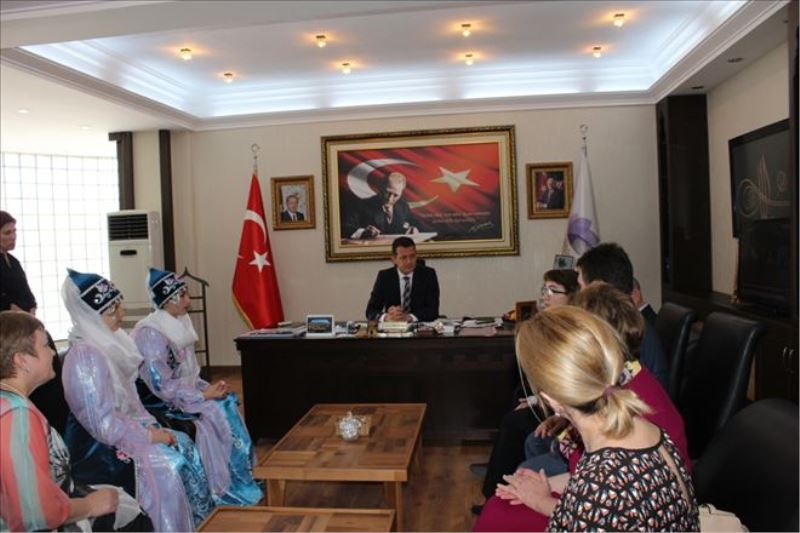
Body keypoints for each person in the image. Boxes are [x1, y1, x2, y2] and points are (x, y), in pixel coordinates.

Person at [475, 286, 691, 532]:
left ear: (552, 400)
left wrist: (539, 499)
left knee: (496, 515)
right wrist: (545, 487)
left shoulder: (602, 482)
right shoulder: (637, 424)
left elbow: (597, 501)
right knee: (500, 507)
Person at [60, 269, 214, 531]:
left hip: (122, 428)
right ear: (95, 315)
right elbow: (102, 425)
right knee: (168, 465)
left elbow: (130, 403)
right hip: (96, 445)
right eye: (114, 310)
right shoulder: (86, 356)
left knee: (182, 444)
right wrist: (149, 436)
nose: (122, 315)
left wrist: (150, 426)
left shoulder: (108, 343)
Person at [0, 311, 153, 532]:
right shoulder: (18, 415)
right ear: (22, 360)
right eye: (45, 345)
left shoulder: (10, 401)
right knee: (135, 519)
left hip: (56, 500)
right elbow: (35, 513)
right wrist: (90, 505)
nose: (53, 352)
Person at [133, 267, 262, 506]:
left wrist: (208, 388)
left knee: (226, 401)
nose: (188, 301)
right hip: (160, 401)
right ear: (168, 300)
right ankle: (224, 485)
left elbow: (188, 372)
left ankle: (242, 476)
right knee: (215, 410)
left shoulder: (179, 321)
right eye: (182, 296)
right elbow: (161, 384)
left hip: (182, 393)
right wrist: (202, 395)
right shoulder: (151, 333)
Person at [471, 269, 579, 514]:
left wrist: (535, 400)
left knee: (514, 422)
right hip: (551, 399)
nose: (545, 295)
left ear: (572, 296)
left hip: (561, 404)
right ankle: (497, 477)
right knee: (514, 398)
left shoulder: (571, 326)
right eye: (544, 289)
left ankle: (494, 491)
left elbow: (563, 378)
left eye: (553, 291)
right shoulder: (552, 320)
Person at [575, 242, 669, 388]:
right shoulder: (629, 325)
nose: (578, 293)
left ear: (598, 288)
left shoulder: (627, 338)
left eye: (581, 286)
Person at [366, 237, 439, 322]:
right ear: (394, 259)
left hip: (419, 328)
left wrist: (409, 317)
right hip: (393, 328)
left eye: (412, 256)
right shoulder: (384, 277)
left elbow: (433, 311)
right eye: (404, 258)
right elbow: (370, 311)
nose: (409, 262)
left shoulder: (428, 275)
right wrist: (386, 317)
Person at [347, 172, 419, 239]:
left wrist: (415, 229)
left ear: (401, 193)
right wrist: (363, 232)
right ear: (380, 188)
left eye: (396, 195)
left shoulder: (403, 206)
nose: (390, 199)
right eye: (387, 192)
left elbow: (417, 224)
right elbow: (346, 227)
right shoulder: (361, 205)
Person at [0, 211, 36, 314]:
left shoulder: (14, 261)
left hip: (25, 318)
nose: (13, 237)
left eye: (14, 231)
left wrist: (32, 308)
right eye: (7, 233)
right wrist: (22, 316)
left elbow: (26, 292)